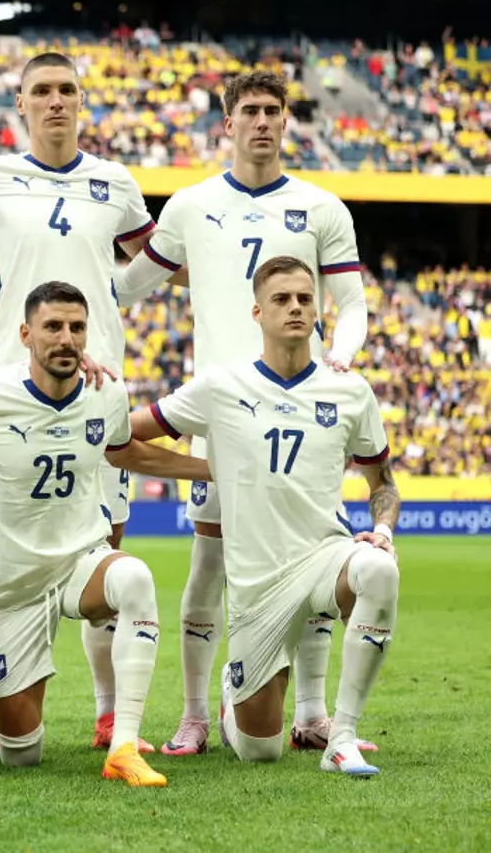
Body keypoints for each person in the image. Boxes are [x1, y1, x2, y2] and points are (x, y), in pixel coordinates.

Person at [115, 70, 372, 757]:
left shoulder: (322, 208)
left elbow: (352, 305)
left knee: (314, 555)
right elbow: (127, 287)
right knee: (208, 565)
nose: (261, 121)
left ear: (287, 121)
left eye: (272, 110)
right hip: (223, 415)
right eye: (248, 110)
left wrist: (340, 359)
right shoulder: (191, 206)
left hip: (302, 411)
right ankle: (196, 712)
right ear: (226, 123)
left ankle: (314, 712)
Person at [0, 281, 213, 787]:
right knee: (21, 755)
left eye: (76, 328)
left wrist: (212, 471)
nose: (66, 338)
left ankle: (124, 748)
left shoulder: (106, 392)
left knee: (134, 576)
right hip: (14, 587)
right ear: (26, 334)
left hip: (81, 564)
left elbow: (125, 452)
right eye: (53, 327)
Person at [129, 256, 399, 777]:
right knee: (260, 750)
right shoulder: (220, 386)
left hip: (324, 557)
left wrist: (382, 531)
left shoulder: (350, 391)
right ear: (257, 312)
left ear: (319, 311)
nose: (295, 308)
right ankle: (235, 699)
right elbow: (127, 435)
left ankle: (340, 737)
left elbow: (382, 483)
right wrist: (211, 470)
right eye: (281, 299)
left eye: (305, 298)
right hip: (256, 586)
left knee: (380, 571)